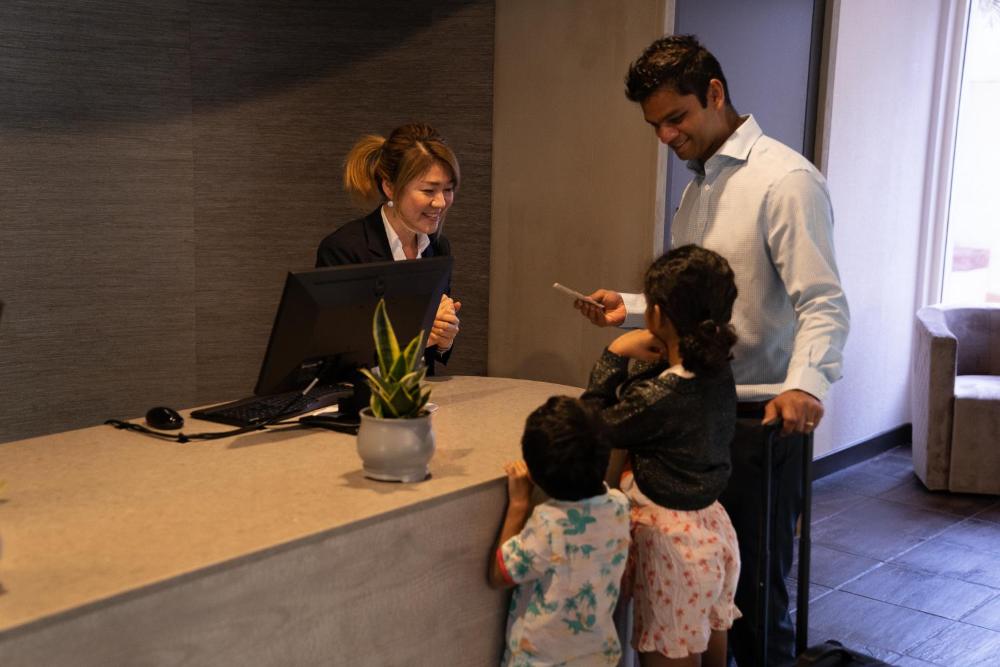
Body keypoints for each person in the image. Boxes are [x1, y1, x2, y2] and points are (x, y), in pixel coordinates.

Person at [575, 35, 850, 665]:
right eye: (655, 125)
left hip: (757, 421)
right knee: (699, 594)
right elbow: (704, 299)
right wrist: (634, 306)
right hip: (693, 417)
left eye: (677, 118)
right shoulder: (697, 187)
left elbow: (824, 302)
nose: (666, 136)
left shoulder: (786, 181)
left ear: (715, 94)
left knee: (753, 598)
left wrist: (805, 384)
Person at [581, 245, 741, 667]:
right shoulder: (717, 371)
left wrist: (615, 355)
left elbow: (592, 425)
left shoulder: (663, 396)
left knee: (667, 652)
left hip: (673, 547)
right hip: (712, 527)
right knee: (710, 645)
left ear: (657, 315)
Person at [488, 396, 631, 666]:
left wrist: (519, 504)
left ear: (535, 475)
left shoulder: (549, 524)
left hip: (541, 660)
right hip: (598, 656)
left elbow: (501, 574)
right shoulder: (620, 507)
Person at [316, 122, 461, 372]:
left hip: (419, 391)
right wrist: (417, 338)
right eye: (429, 190)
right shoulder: (345, 249)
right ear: (390, 188)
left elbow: (432, 348)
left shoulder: (437, 247)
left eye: (448, 189)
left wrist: (444, 339)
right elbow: (335, 354)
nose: (440, 202)